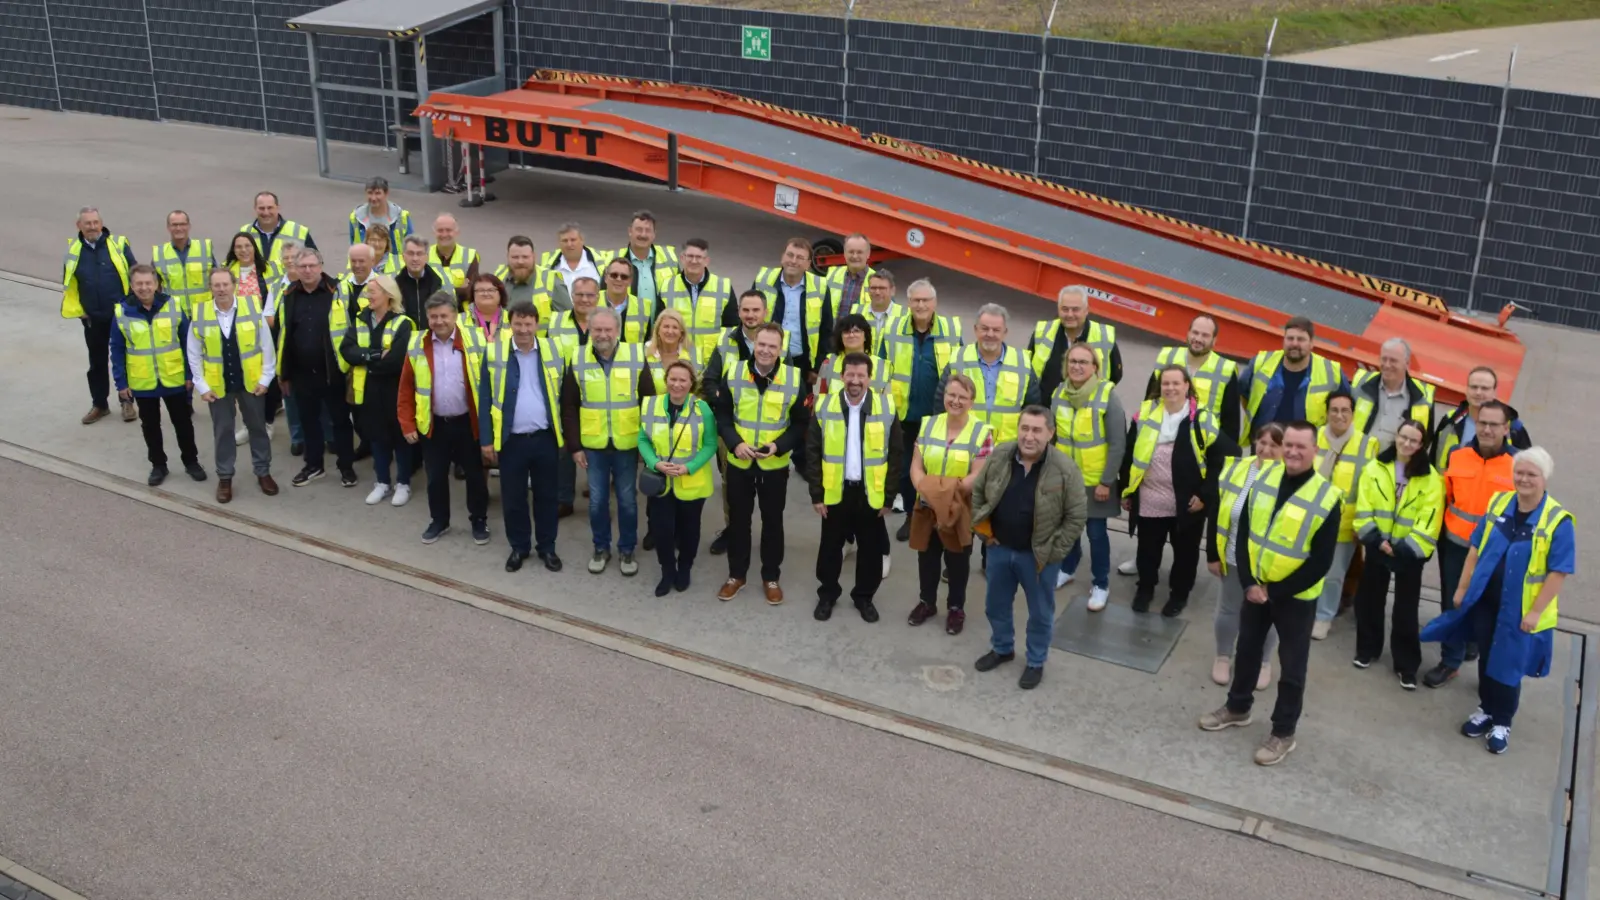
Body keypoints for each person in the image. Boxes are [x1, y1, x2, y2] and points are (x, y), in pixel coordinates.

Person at [1198, 421, 1342, 767]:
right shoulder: (1262, 480)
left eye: (1300, 447)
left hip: (1295, 598)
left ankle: (1283, 733)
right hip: (1256, 588)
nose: (1292, 452)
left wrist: (1272, 591)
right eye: (1288, 445)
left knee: (1292, 668)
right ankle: (1237, 707)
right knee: (1245, 650)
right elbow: (1244, 532)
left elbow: (1320, 562)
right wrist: (1249, 582)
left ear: (1315, 451)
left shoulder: (1327, 497)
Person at [1421, 448, 1573, 755]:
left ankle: (1502, 721)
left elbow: (1558, 572)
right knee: (1488, 659)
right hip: (1487, 601)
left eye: (1532, 474)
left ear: (1544, 478)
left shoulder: (1558, 520)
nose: (1524, 479)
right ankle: (1486, 710)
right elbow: (1475, 548)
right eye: (1520, 472)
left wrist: (1534, 612)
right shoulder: (1500, 501)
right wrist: (1463, 589)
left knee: (1508, 665)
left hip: (1519, 611)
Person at [971, 406, 1088, 690]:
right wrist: (984, 533)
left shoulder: (1064, 468)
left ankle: (1035, 662)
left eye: (1037, 430)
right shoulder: (1000, 455)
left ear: (1050, 433)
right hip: (999, 550)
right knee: (995, 605)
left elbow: (1076, 516)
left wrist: (1054, 552)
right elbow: (978, 492)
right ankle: (1002, 648)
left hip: (1039, 559)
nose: (1029, 436)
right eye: (1025, 428)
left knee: (1040, 613)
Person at [1425, 399, 1520, 688]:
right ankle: (1450, 661)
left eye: (1494, 424)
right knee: (1452, 602)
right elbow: (1449, 496)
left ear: (1506, 428)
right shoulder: (1457, 455)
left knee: (1491, 609)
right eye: (1482, 423)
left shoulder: (1518, 464)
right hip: (1455, 545)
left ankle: (1489, 669)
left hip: (1495, 553)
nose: (1487, 429)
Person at [712, 323, 809, 603]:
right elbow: (723, 415)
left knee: (772, 523)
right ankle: (736, 576)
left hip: (774, 466)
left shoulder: (793, 378)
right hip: (739, 462)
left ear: (780, 350)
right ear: (754, 343)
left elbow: (800, 423)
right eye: (762, 344)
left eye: (772, 346)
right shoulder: (734, 372)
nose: (766, 350)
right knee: (739, 523)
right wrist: (735, 443)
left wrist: (779, 447)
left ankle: (771, 577)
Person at [1120, 366, 1226, 617]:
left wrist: (1204, 496)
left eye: (1176, 383)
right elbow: (1129, 453)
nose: (1170, 388)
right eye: (1166, 383)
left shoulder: (1203, 419)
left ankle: (1179, 595)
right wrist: (1126, 491)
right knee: (1147, 550)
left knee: (1186, 553)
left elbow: (1218, 462)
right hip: (1149, 498)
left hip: (1188, 503)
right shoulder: (1145, 413)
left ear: (1187, 385)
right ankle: (1145, 589)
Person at [806, 351, 904, 622]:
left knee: (870, 552)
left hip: (870, 494)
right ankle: (827, 595)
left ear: (870, 378)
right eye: (850, 374)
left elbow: (896, 454)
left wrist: (889, 496)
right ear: (841, 376)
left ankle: (864, 597)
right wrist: (817, 493)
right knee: (830, 549)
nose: (855, 380)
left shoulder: (886, 408)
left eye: (861, 375)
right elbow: (812, 452)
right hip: (835, 492)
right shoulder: (825, 406)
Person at [560, 307, 655, 575]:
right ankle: (600, 547)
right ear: (589, 331)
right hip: (594, 447)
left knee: (627, 501)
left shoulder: (635, 356)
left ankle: (627, 550)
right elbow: (569, 406)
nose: (602, 334)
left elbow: (648, 402)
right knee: (597, 501)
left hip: (627, 445)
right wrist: (575, 447)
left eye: (608, 329)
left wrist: (645, 445)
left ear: (618, 331)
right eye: (597, 329)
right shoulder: (577, 358)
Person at [1352, 418, 1444, 688]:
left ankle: (1406, 665)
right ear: (1396, 437)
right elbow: (1364, 507)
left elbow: (1429, 521)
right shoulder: (1375, 468)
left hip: (1408, 554)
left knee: (1406, 610)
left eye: (1414, 440)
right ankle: (1367, 650)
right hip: (1378, 546)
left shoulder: (1432, 481)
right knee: (1370, 601)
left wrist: (1405, 548)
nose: (1407, 443)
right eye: (1403, 437)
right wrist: (1376, 540)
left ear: (1421, 445)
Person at [400, 292, 493, 545]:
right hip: (434, 425)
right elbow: (406, 387)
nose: (438, 321)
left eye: (443, 315)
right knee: (436, 477)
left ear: (454, 315)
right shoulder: (417, 343)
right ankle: (439, 521)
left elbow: (489, 383)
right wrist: (407, 423)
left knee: (474, 476)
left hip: (467, 423)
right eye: (433, 316)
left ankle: (479, 520)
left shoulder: (475, 339)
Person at [480, 301, 566, 574]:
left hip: (545, 439)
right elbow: (484, 399)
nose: (524, 329)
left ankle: (547, 547)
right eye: (518, 323)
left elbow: (565, 394)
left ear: (537, 325)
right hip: (511, 441)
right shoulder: (494, 352)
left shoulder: (554, 350)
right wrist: (486, 440)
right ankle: (519, 547)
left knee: (547, 496)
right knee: (514, 498)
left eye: (529, 324)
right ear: (510, 324)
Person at [907, 373, 993, 634]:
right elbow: (915, 466)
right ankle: (927, 602)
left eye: (962, 397)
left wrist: (941, 493)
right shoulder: (928, 424)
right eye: (951, 395)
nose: (955, 401)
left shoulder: (982, 432)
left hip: (959, 508)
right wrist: (928, 491)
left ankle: (956, 608)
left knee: (957, 559)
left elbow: (976, 475)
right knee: (927, 556)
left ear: (972, 401)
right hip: (927, 505)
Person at [1206, 424, 1285, 690]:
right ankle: (1222, 656)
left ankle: (1263, 662)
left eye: (1274, 445)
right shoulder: (1238, 468)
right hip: (1232, 556)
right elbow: (1218, 510)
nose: (1266, 449)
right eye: (1262, 442)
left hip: (1268, 566)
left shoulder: (1288, 478)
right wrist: (1213, 554)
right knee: (1228, 609)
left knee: (1268, 614)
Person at [701, 289, 779, 558]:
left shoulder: (779, 341)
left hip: (768, 432)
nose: (750, 315)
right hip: (732, 431)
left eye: (756, 310)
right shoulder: (726, 341)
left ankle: (769, 543)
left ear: (764, 312)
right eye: (745, 310)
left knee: (769, 493)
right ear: (739, 312)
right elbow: (709, 380)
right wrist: (722, 398)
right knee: (731, 486)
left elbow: (789, 383)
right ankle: (732, 530)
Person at [884, 278, 963, 538]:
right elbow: (881, 368)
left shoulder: (951, 329)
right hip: (904, 416)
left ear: (935, 303)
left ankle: (937, 518)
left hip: (940, 416)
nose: (921, 305)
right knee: (908, 471)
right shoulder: (893, 329)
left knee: (938, 471)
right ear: (908, 303)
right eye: (916, 300)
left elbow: (961, 372)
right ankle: (911, 515)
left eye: (926, 300)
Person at [188, 267, 277, 501]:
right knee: (223, 432)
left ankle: (263, 472)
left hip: (251, 383)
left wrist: (266, 379)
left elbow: (266, 346)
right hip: (218, 387)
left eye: (225, 284)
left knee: (258, 428)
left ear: (234, 285)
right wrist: (203, 386)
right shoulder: (200, 313)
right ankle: (225, 477)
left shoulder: (251, 308)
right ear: (211, 288)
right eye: (216, 285)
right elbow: (194, 354)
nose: (221, 289)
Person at [112, 265, 205, 486]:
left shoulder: (172, 305)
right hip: (143, 381)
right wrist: (121, 382)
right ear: (132, 286)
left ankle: (191, 462)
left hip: (174, 377)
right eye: (139, 284)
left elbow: (187, 342)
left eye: (148, 283)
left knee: (183, 423)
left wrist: (191, 373)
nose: (144, 288)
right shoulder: (121, 312)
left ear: (156, 284)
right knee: (150, 426)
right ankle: (158, 465)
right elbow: (116, 349)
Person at [1050, 343, 1126, 608]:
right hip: (1066, 480)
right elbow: (1053, 436)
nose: (1077, 367)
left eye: (1083, 362)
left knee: (1096, 534)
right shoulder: (1059, 392)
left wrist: (1107, 481)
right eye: (1072, 361)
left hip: (1096, 482)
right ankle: (1068, 569)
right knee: (1069, 529)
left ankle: (1101, 583)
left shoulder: (1107, 395)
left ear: (1095, 367)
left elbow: (1118, 442)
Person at [277, 248, 358, 488]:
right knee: (308, 421)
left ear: (321, 266)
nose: (308, 270)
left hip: (333, 371)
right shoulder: (289, 294)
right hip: (302, 373)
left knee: (341, 422)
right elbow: (284, 335)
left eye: (312, 265)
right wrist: (284, 371)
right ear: (297, 269)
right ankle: (314, 465)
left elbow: (353, 329)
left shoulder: (339, 291)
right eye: (303, 267)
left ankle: (346, 467)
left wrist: (350, 367)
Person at [640, 359, 717, 596]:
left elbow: (710, 444)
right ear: (666, 381)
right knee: (662, 530)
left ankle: (684, 568)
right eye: (672, 379)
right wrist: (654, 463)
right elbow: (642, 439)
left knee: (689, 530)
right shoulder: (650, 405)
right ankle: (667, 571)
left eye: (683, 380)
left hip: (691, 483)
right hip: (661, 483)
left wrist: (689, 467)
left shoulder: (702, 409)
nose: (677, 384)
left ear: (691, 383)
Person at [340, 275, 414, 507]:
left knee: (400, 438)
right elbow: (347, 350)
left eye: (372, 292)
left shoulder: (404, 323)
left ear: (387, 295)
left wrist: (365, 359)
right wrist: (373, 355)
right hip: (369, 390)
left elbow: (396, 359)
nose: (367, 296)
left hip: (395, 389)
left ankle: (403, 483)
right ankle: (382, 482)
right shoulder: (361, 320)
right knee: (377, 437)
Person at [1311, 390, 1379, 639]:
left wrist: (1361, 526)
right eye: (1334, 410)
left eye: (1345, 411)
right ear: (1327, 412)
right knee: (1304, 564)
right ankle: (1303, 609)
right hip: (1310, 518)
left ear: (1352, 414)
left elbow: (1368, 490)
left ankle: (1323, 616)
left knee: (1333, 574)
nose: (1339, 415)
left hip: (1344, 523)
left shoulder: (1367, 444)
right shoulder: (1314, 436)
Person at [62, 207, 138, 425]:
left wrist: (131, 307)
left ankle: (127, 401)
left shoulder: (118, 244)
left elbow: (135, 275)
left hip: (119, 316)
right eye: (88, 223)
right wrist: (81, 312)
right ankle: (100, 405)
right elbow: (70, 284)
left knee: (123, 359)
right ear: (79, 226)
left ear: (101, 222)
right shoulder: (74, 250)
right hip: (92, 319)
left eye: (96, 222)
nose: (93, 227)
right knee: (96, 363)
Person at [547, 275, 601, 519]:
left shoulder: (606, 321)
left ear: (598, 297)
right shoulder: (556, 321)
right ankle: (563, 498)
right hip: (563, 393)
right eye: (579, 295)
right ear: (571, 296)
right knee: (564, 448)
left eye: (590, 295)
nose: (584, 299)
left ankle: (597, 498)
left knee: (596, 448)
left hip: (597, 393)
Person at [1239, 316, 1347, 433]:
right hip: (1265, 444)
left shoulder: (1332, 371)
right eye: (1290, 338)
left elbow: (1346, 409)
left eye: (1301, 339)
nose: (1294, 344)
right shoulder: (1261, 362)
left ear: (1311, 343)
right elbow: (1243, 394)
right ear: (1283, 340)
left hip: (1307, 447)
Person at [225, 231, 283, 446]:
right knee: (244, 379)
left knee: (266, 378)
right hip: (238, 332)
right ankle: (248, 425)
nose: (243, 250)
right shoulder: (227, 271)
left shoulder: (269, 269)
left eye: (247, 246)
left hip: (265, 331)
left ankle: (267, 422)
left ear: (254, 248)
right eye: (238, 246)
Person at [1147, 314, 1240, 443]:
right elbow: (1149, 400)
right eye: (1195, 332)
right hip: (1161, 437)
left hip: (1201, 445)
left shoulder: (1225, 370)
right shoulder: (1167, 357)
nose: (1198, 339)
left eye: (1205, 335)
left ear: (1214, 340)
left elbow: (1231, 423)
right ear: (1188, 333)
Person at [753, 237, 834, 377]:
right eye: (790, 255)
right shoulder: (763, 280)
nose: (793, 261)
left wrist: (816, 368)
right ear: (782, 257)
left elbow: (826, 331)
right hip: (765, 358)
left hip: (801, 364)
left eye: (800, 257)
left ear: (808, 264)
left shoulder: (820, 287)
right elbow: (749, 319)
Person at [1027, 285, 1122, 399]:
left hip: (1084, 412)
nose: (1070, 315)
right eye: (1065, 309)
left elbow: (1115, 375)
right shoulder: (1042, 332)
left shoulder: (1105, 337)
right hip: (1045, 410)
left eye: (1075, 309)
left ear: (1086, 310)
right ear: (1058, 309)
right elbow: (1029, 370)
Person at [1432, 365, 1532, 469]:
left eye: (1485, 388)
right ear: (1466, 389)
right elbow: (1433, 460)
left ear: (1494, 392)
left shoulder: (1514, 428)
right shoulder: (1450, 420)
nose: (1478, 392)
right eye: (1474, 387)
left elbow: (1529, 468)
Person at [1350, 338, 1435, 452]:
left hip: (1392, 467)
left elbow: (1425, 439)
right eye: (1383, 359)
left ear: (1407, 364)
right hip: (1355, 461)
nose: (1387, 365)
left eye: (1393, 361)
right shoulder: (1360, 383)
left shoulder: (1423, 397)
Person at [659, 238, 733, 361]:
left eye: (699, 257)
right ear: (682, 258)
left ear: (706, 261)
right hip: (677, 360)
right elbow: (659, 326)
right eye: (690, 256)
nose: (694, 261)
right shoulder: (667, 286)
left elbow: (731, 328)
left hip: (711, 362)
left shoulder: (723, 287)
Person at [150, 210, 214, 318]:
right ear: (168, 227)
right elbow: (154, 287)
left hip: (204, 312)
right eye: (174, 225)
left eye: (182, 224)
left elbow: (216, 279)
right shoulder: (159, 253)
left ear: (189, 226)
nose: (179, 228)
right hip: (174, 314)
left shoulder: (204, 248)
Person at [611, 209, 677, 305]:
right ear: (630, 231)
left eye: (648, 230)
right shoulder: (614, 261)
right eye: (639, 230)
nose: (643, 235)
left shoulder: (670, 259)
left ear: (654, 234)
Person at [494, 236, 561, 329]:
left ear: (534, 256)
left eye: (525, 257)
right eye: (515, 257)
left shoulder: (552, 281)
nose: (520, 261)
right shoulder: (498, 277)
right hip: (502, 343)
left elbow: (567, 322)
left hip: (538, 343)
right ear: (507, 257)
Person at [817, 313, 889, 396]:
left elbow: (886, 403)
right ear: (841, 337)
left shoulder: (882, 366)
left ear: (865, 336)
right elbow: (819, 400)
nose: (851, 335)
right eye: (846, 332)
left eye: (856, 331)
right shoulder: (828, 364)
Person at [600, 256, 664, 344]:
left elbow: (647, 342)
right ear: (606, 278)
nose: (619, 279)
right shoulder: (591, 301)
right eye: (614, 275)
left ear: (630, 281)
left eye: (624, 277)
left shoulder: (644, 307)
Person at [240, 190, 314, 261]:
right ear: (255, 209)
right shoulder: (244, 232)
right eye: (261, 208)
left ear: (278, 208)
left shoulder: (299, 231)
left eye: (270, 208)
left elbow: (315, 263)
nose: (266, 212)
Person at [543, 222, 607, 301]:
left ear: (582, 240)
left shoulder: (602, 261)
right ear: (559, 243)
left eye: (573, 240)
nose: (569, 244)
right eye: (565, 241)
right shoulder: (547, 265)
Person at [395, 236, 448, 324]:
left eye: (419, 254)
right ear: (403, 256)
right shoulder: (395, 285)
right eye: (411, 253)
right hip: (406, 335)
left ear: (427, 257)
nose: (415, 258)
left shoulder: (440, 283)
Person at [347, 175, 412, 245]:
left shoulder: (401, 217)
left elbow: (412, 245)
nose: (373, 198)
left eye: (377, 193)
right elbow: (353, 247)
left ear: (386, 193)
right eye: (370, 193)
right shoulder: (356, 218)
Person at [429, 213, 480, 299]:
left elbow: (472, 292)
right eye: (440, 230)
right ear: (434, 233)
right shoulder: (424, 254)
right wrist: (459, 290)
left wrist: (437, 291)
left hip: (461, 312)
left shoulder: (470, 255)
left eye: (448, 230)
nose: (444, 234)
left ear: (457, 232)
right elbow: (421, 291)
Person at [822, 233, 875, 314]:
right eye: (851, 252)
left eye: (859, 252)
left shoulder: (877, 280)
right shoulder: (832, 274)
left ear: (868, 254)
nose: (854, 256)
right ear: (844, 253)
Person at [860, 269, 903, 337]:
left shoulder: (905, 315)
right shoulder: (856, 312)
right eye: (873, 288)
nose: (877, 292)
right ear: (868, 290)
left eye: (882, 288)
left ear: (892, 291)